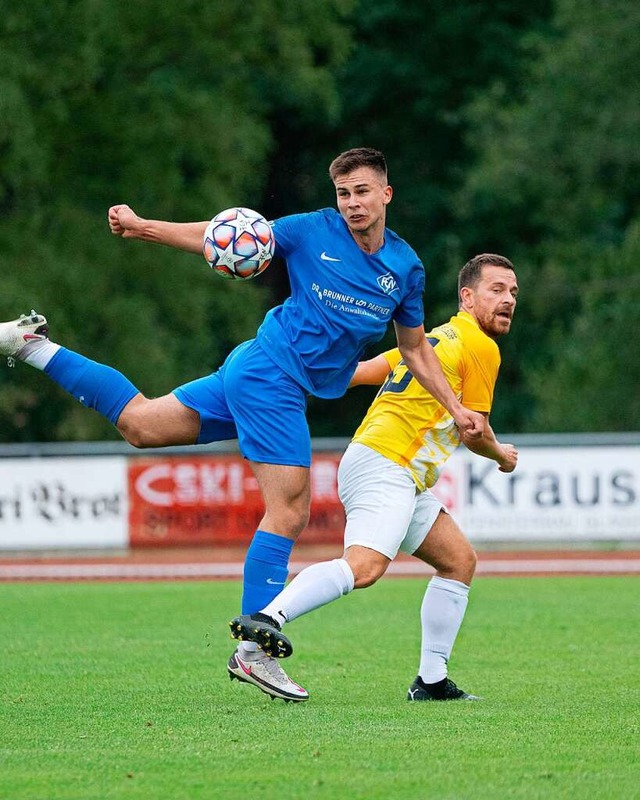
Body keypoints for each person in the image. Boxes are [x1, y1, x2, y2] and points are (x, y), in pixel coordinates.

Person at [0, 148, 484, 703]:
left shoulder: (405, 268)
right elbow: (225, 234)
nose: (352, 203)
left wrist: (455, 407)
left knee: (141, 425)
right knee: (290, 508)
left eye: (362, 192)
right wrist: (142, 227)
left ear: (386, 194)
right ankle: (253, 651)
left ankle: (29, 344)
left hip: (260, 372)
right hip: (269, 374)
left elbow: (415, 349)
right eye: (343, 194)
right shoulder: (310, 230)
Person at [229, 253, 519, 701]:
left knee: (458, 561)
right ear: (467, 297)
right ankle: (267, 621)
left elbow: (359, 374)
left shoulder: (429, 340)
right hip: (388, 465)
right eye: (496, 290)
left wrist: (297, 371)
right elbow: (474, 431)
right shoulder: (480, 346)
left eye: (513, 293)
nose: (508, 300)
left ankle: (432, 681)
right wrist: (502, 457)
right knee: (364, 568)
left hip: (381, 463)